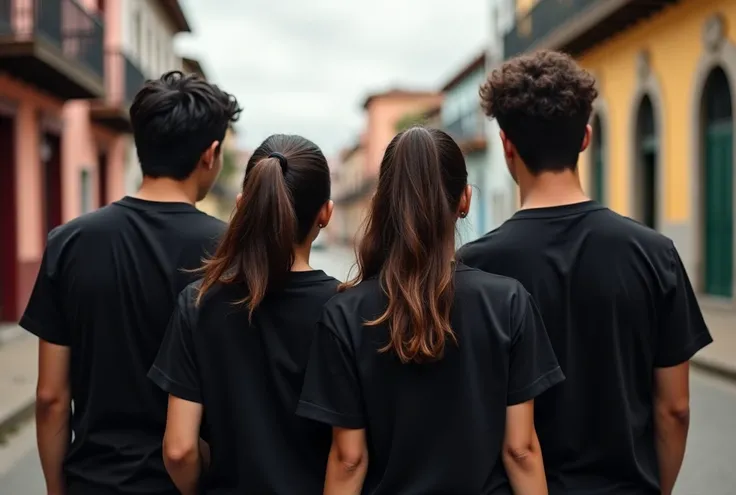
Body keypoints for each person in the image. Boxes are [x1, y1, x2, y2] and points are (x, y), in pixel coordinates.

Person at [457, 50, 713, 495]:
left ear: (506, 147)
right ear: (586, 138)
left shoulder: (473, 266)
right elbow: (675, 409)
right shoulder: (656, 255)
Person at [297, 126, 564, 495]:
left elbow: (349, 459)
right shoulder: (509, 302)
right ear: (464, 200)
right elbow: (521, 450)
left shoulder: (343, 314)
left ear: (382, 203)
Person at [20, 70, 241, 495]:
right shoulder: (229, 250)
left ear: (142, 143)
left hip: (93, 482)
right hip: (192, 482)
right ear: (210, 154)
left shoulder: (69, 243)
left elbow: (50, 397)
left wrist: (55, 487)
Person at [148, 134, 338, 495]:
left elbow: (179, 450)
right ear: (325, 213)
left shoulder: (198, 302)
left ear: (242, 205)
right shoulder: (345, 309)